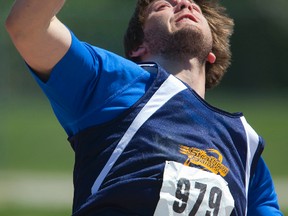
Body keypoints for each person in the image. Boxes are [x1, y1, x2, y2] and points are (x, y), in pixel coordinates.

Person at [5, 0, 282, 215]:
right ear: (138, 47)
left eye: (192, 5)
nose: (184, 4)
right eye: (164, 6)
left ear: (212, 53)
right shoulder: (115, 83)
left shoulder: (246, 147)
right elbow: (27, 28)